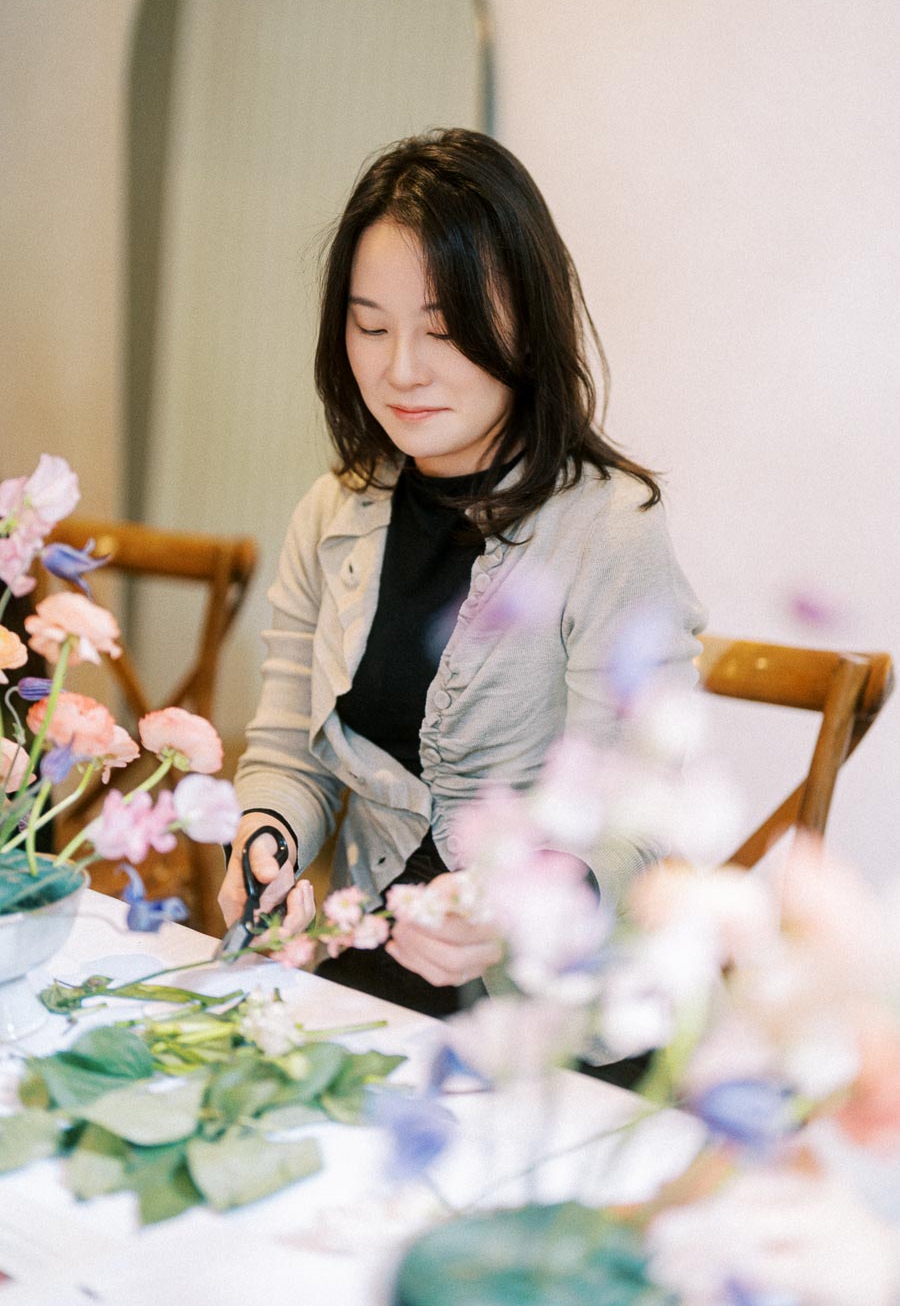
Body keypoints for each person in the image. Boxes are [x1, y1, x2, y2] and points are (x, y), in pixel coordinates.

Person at [218, 127, 705, 1027]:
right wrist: (267, 837)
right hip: (374, 986)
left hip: (556, 1030)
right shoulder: (335, 513)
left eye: (442, 330)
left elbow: (643, 819)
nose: (400, 370)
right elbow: (291, 752)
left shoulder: (609, 528)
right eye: (371, 327)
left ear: (523, 321)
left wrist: (518, 905)